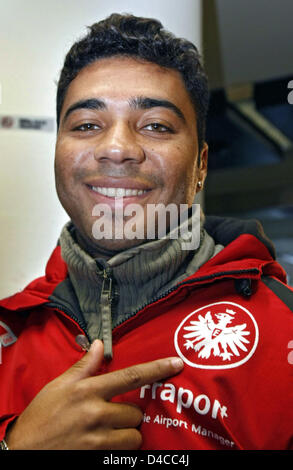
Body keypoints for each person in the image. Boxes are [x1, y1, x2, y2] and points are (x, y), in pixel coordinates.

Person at [0, 13, 292, 451]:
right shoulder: (8, 334)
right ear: (58, 154)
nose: (117, 148)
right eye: (86, 125)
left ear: (201, 167)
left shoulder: (283, 335)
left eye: (156, 125)